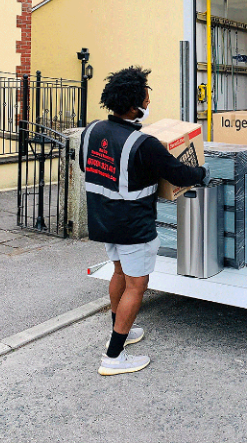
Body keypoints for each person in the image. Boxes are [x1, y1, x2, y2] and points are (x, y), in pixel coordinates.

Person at [80, 67, 208, 376]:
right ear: (135, 104)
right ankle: (113, 356)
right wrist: (202, 173)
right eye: (146, 98)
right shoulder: (143, 144)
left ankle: (120, 330)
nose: (149, 102)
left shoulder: (91, 131)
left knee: (119, 272)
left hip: (103, 219)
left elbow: (89, 168)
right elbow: (179, 174)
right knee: (137, 285)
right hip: (133, 225)